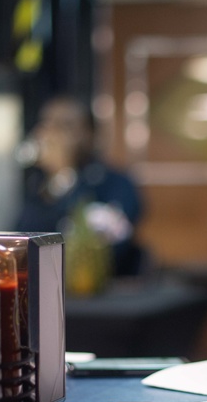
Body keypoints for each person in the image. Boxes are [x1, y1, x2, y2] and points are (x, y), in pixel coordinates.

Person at [15, 95, 144, 276]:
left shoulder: (115, 182)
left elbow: (108, 248)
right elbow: (23, 240)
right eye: (47, 124)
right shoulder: (38, 186)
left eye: (64, 126)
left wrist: (65, 172)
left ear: (90, 134)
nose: (52, 134)